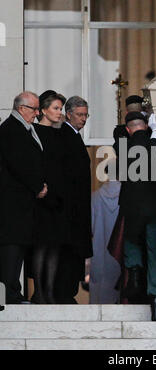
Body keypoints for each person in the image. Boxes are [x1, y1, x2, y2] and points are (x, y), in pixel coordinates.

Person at [0, 91, 47, 304]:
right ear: (21, 109)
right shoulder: (12, 129)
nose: (37, 114)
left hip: (20, 202)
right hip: (12, 202)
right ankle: (10, 293)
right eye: (34, 109)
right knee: (12, 246)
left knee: (17, 246)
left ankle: (12, 291)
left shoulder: (22, 129)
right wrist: (37, 186)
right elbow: (20, 164)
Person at [119, 112, 156, 319]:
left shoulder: (123, 147)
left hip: (131, 207)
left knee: (132, 243)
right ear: (146, 127)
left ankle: (135, 277)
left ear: (129, 130)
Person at [54, 96, 93, 304]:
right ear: (68, 114)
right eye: (80, 114)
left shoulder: (73, 135)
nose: (84, 119)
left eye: (86, 115)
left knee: (74, 252)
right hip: (70, 209)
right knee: (69, 252)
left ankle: (67, 292)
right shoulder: (65, 135)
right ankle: (64, 293)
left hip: (76, 208)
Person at [30, 90, 67, 304]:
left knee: (55, 245)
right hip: (41, 197)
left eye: (60, 109)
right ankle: (39, 291)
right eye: (55, 108)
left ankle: (50, 291)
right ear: (43, 110)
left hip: (58, 196)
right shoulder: (33, 132)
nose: (59, 112)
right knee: (41, 245)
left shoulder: (59, 134)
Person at [89, 147, 122, 304]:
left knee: (100, 291)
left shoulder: (95, 197)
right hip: (119, 249)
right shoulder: (126, 198)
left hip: (99, 247)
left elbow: (90, 227)